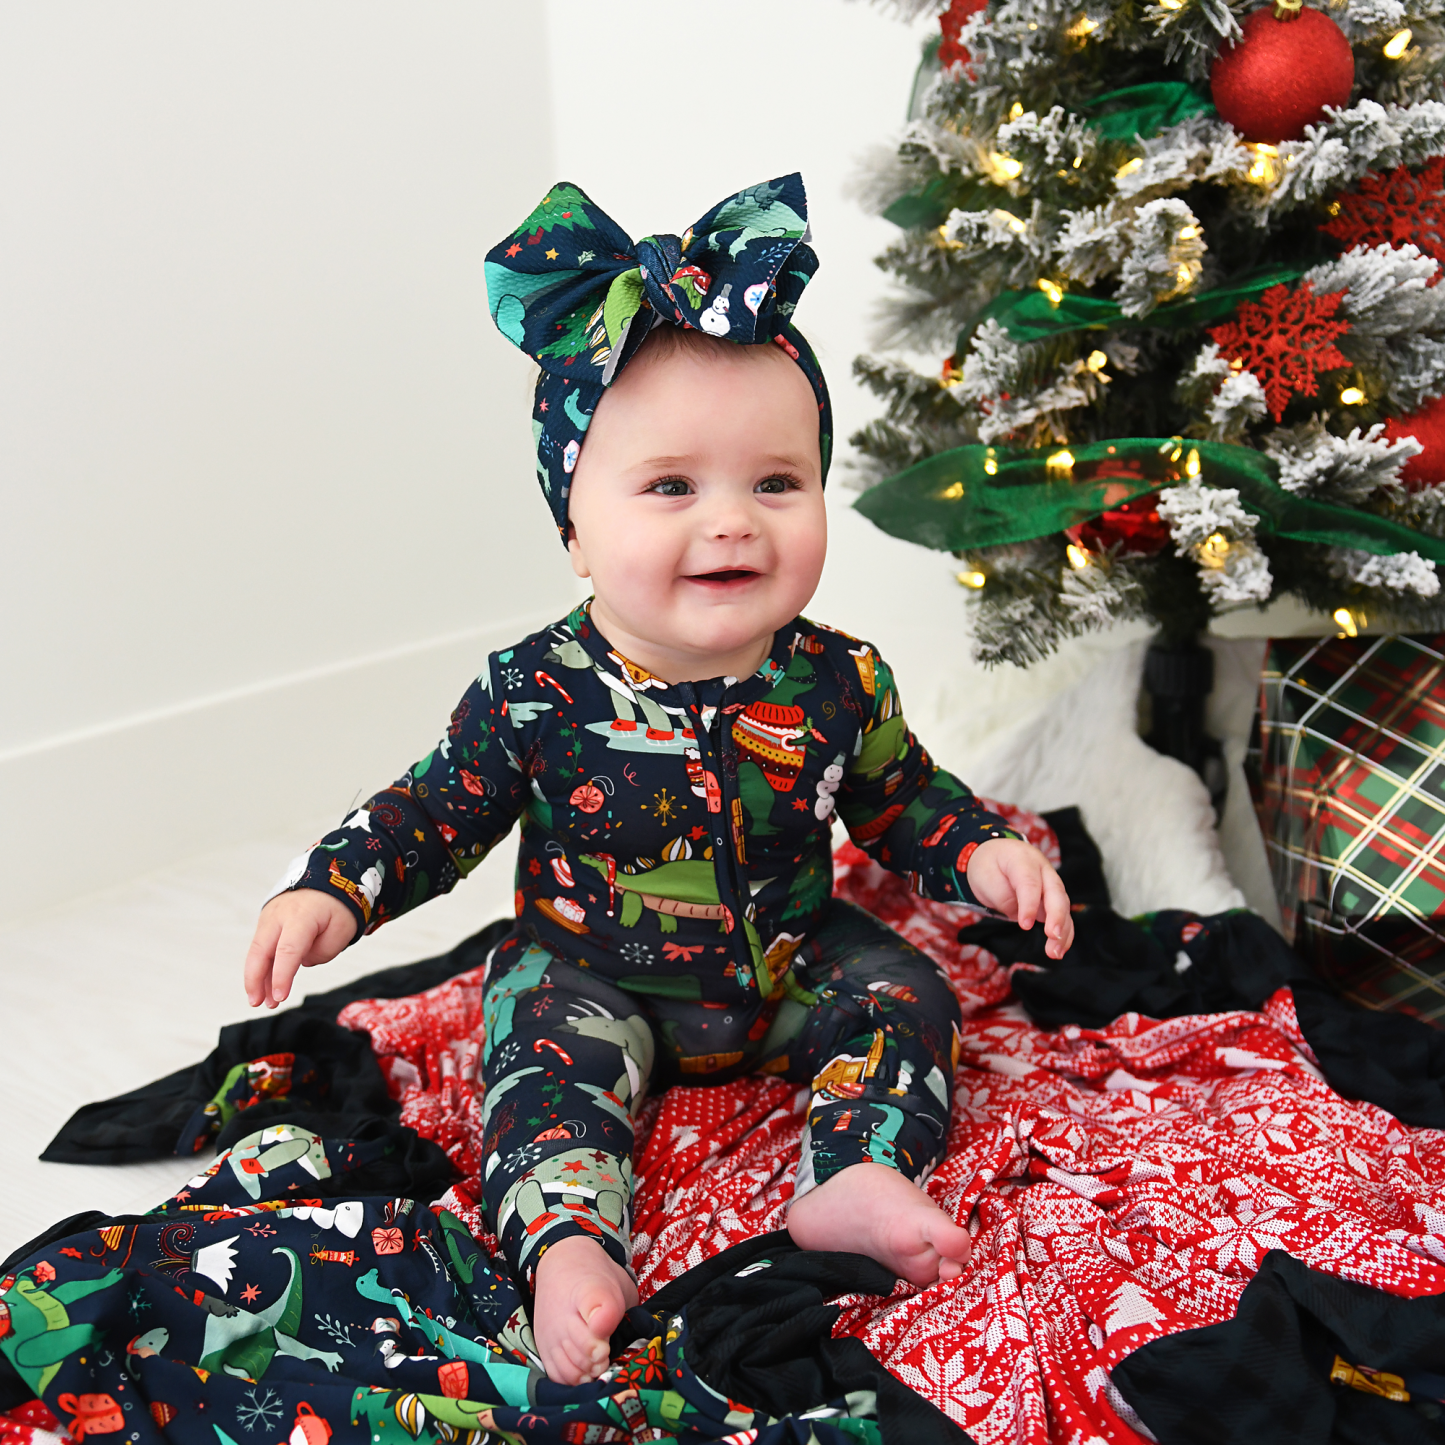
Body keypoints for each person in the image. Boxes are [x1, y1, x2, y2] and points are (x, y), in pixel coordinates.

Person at [242, 174, 1074, 1387]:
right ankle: (570, 1241)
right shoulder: (536, 689)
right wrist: (335, 885)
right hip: (590, 971)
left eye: (775, 482)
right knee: (534, 1067)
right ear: (573, 527)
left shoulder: (838, 677)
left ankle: (851, 1172)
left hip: (785, 958)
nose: (731, 522)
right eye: (671, 486)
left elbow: (902, 796)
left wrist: (979, 849)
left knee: (907, 992)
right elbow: (432, 809)